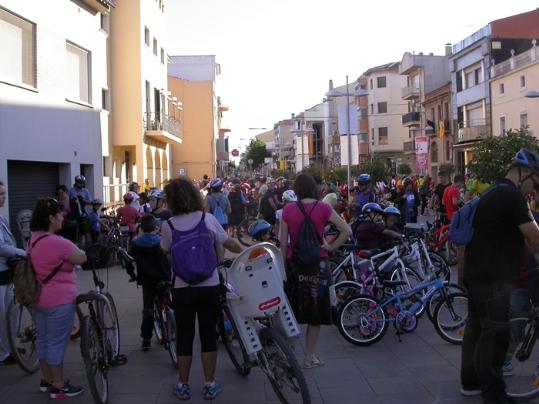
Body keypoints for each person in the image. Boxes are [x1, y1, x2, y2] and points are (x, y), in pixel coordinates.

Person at [460, 149, 539, 402]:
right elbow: (534, 237)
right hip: (494, 277)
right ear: (524, 173)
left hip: (476, 273)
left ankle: (470, 383)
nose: (533, 189)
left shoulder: (492, 191)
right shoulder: (512, 196)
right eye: (535, 182)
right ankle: (494, 396)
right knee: (496, 334)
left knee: (475, 329)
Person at [161, 177, 243, 400]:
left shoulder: (168, 226)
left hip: (182, 287)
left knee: (185, 337)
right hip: (209, 285)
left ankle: (183, 384)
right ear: (194, 196)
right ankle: (209, 383)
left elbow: (165, 251)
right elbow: (230, 244)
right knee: (208, 335)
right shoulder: (207, 219)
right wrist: (246, 250)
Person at [279, 173, 351, 369]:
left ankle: (290, 354)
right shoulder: (324, 208)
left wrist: (282, 267)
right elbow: (346, 230)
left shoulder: (288, 210)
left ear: (296, 189)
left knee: (292, 309)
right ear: (314, 188)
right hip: (319, 265)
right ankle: (309, 357)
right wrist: (330, 247)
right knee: (316, 312)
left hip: (295, 265)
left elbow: (283, 243)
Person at [28, 197, 87, 399]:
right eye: (60, 214)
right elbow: (81, 257)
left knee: (43, 340)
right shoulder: (58, 242)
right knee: (56, 344)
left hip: (39, 298)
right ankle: (59, 386)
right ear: (51, 218)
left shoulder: (33, 238)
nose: (63, 217)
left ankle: (47, 381)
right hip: (59, 301)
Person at [130, 214, 171, 351]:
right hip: (164, 277)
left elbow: (130, 260)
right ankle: (172, 326)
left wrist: (132, 275)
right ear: (156, 227)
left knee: (148, 309)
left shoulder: (136, 243)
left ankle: (146, 339)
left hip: (147, 280)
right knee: (169, 302)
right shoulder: (161, 241)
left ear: (141, 228)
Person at [0, 181, 27, 366]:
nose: (4, 197)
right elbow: (1, 247)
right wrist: (23, 253)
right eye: (0, 194)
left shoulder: (2, 218)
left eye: (4, 193)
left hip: (7, 271)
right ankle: (3, 353)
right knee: (2, 315)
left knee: (11, 312)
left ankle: (9, 348)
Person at [68, 175, 92, 245]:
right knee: (74, 231)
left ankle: (82, 247)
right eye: (79, 183)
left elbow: (90, 202)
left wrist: (83, 200)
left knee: (82, 232)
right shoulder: (71, 191)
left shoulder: (85, 191)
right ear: (76, 182)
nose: (81, 184)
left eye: (82, 183)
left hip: (82, 213)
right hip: (73, 213)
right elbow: (68, 202)